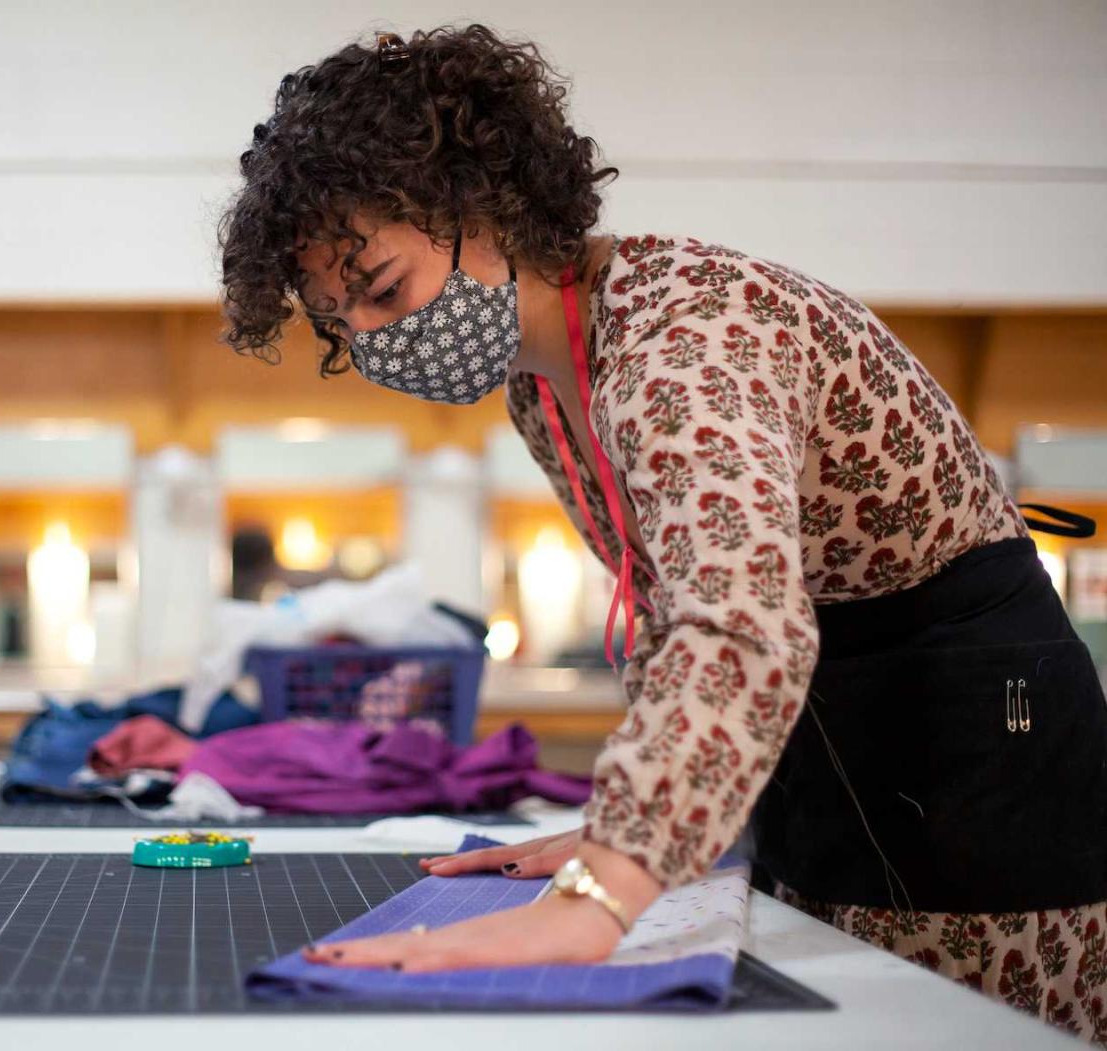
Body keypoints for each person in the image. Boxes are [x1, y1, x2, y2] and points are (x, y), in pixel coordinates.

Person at [217, 25, 1106, 1040]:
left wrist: (607, 886)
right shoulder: (543, 391)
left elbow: (739, 628)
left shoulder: (683, 339)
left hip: (978, 773)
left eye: (381, 290)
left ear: (484, 201)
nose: (375, 344)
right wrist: (623, 829)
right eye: (342, 327)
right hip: (832, 772)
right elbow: (671, 611)